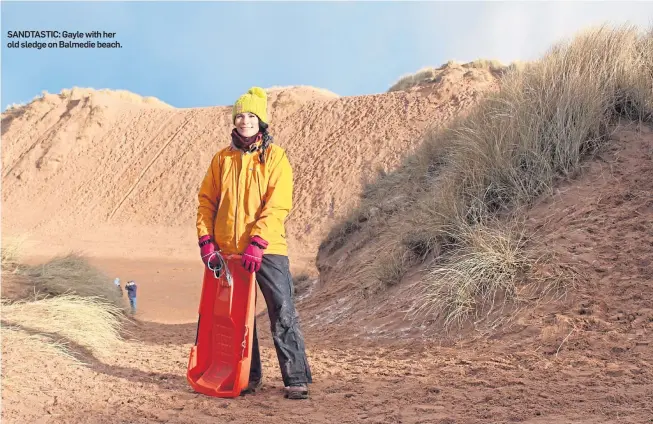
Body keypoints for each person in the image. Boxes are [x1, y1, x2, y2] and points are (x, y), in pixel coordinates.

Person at [196, 86, 312, 400]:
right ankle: (248, 376)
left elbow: (278, 203)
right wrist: (206, 240)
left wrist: (258, 242)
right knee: (237, 318)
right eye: (239, 116)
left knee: (281, 309)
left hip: (268, 249)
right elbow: (206, 201)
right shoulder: (222, 159)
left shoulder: (275, 157)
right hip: (229, 252)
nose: (245, 121)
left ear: (261, 120)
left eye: (251, 115)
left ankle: (296, 378)